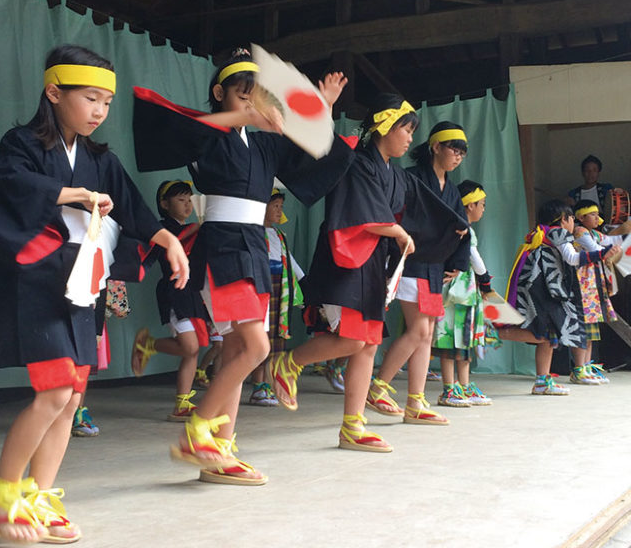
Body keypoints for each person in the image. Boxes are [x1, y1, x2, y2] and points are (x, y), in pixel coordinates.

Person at [0, 44, 189, 544]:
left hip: (81, 284)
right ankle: (4, 497)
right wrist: (73, 195)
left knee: (72, 397)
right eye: (90, 98)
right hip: (34, 280)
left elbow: (131, 206)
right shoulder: (19, 143)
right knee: (56, 389)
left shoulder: (98, 158)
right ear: (54, 92)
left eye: (107, 101)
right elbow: (11, 182)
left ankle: (39, 498)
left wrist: (167, 238)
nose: (100, 111)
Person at [134, 48, 354, 485]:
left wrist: (323, 109)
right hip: (222, 244)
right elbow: (188, 130)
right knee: (256, 348)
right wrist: (245, 118)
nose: (254, 104)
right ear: (220, 93)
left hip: (253, 243)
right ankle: (199, 429)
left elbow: (310, 153)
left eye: (260, 96)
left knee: (237, 349)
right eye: (243, 94)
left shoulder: (265, 142)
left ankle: (221, 448)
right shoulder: (208, 133)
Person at [270, 94, 469, 451]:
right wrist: (398, 232)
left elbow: (419, 209)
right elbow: (363, 212)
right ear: (384, 127)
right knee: (353, 340)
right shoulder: (358, 163)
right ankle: (288, 361)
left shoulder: (395, 174)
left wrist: (449, 229)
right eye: (405, 130)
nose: (410, 138)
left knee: (369, 345)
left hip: (374, 264)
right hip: (347, 261)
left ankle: (352, 426)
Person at [366, 122, 470, 425]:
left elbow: (463, 229)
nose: (458, 156)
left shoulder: (451, 190)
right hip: (410, 261)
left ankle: (415, 400)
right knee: (420, 331)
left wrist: (458, 263)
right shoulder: (410, 178)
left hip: (434, 267)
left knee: (427, 334)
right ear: (435, 147)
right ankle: (379, 386)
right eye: (453, 148)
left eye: (462, 152)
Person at [500, 200, 617, 396]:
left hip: (538, 287)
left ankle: (542, 381)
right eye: (571, 218)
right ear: (564, 220)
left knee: (550, 335)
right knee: (546, 334)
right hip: (541, 289)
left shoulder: (545, 232)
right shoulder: (557, 232)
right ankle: (495, 332)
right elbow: (572, 258)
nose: (573, 223)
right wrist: (602, 253)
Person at [132, 179, 211, 421]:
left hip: (193, 292)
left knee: (192, 351)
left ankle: (182, 404)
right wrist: (200, 226)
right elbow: (179, 237)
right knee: (190, 347)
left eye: (190, 200)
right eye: (181, 199)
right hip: (174, 291)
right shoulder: (163, 229)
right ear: (165, 204)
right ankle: (148, 345)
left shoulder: (192, 228)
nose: (187, 204)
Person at [433, 180, 495, 407]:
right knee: (450, 340)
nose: (483, 208)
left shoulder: (457, 228)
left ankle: (464, 386)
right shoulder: (462, 229)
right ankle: (450, 389)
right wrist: (485, 279)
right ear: (470, 206)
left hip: (463, 293)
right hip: (456, 293)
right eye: (482, 204)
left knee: (462, 341)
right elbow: (474, 258)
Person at [248, 188, 305, 406]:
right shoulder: (254, 233)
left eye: (281, 206)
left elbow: (290, 262)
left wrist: (304, 281)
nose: (279, 210)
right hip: (262, 286)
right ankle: (258, 384)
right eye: (275, 206)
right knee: (261, 335)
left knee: (275, 337)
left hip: (280, 289)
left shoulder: (279, 235)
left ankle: (269, 383)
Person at [572, 199, 624, 384]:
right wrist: (610, 250)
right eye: (592, 214)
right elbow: (596, 249)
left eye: (597, 214)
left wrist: (623, 231)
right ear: (581, 217)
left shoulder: (595, 233)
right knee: (583, 327)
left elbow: (612, 240)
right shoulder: (579, 231)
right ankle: (579, 369)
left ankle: (586, 367)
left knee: (592, 328)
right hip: (582, 286)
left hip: (593, 286)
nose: (597, 217)